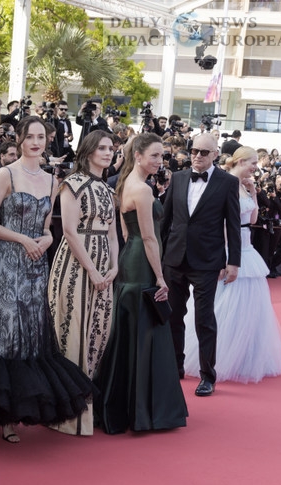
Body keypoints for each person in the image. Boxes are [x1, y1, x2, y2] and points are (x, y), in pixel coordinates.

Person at [0, 116, 95, 444]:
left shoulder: (51, 180)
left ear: (48, 140)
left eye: (41, 136)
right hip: (10, 262)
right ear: (18, 140)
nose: (35, 142)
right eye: (29, 136)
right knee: (4, 333)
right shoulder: (6, 174)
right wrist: (23, 240)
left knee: (29, 335)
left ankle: (11, 413)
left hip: (36, 265)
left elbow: (46, 227)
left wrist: (45, 240)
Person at [93, 133, 188, 434]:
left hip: (130, 258)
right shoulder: (143, 191)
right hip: (142, 262)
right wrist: (160, 277)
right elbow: (149, 237)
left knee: (131, 329)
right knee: (144, 329)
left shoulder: (124, 184)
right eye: (155, 156)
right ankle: (144, 410)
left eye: (162, 156)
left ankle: (124, 406)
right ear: (138, 155)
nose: (160, 161)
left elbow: (126, 234)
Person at [183, 146, 281, 383]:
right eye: (252, 162)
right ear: (240, 161)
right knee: (223, 306)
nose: (255, 167)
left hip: (246, 247)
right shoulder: (225, 184)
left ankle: (242, 357)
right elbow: (222, 224)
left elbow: (251, 220)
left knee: (249, 307)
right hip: (229, 250)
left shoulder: (243, 185)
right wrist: (225, 257)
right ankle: (217, 358)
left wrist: (253, 192)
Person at [47, 130, 119, 436]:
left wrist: (115, 266)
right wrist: (91, 269)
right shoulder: (72, 184)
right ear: (88, 151)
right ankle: (65, 413)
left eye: (111, 148)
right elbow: (69, 231)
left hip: (104, 264)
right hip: (77, 265)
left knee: (97, 332)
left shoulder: (108, 189)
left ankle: (84, 411)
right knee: (71, 329)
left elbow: (114, 233)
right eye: (101, 148)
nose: (107, 152)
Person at [161, 132, 241, 397]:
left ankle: (208, 376)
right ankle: (174, 367)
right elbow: (167, 220)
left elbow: (233, 225)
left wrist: (234, 263)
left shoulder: (227, 182)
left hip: (207, 261)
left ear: (215, 154)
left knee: (204, 319)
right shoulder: (179, 177)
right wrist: (160, 257)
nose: (196, 155)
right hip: (174, 259)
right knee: (173, 316)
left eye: (203, 152)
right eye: (194, 150)